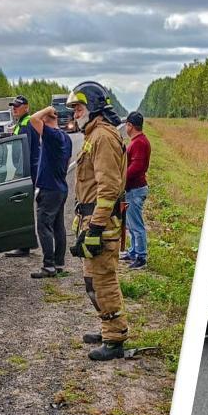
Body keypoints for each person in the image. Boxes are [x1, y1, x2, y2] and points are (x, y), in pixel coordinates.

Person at [67, 81, 128, 362]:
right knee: (92, 280)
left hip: (101, 224)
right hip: (91, 220)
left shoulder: (103, 138)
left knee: (102, 281)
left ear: (92, 107)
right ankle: (107, 328)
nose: (74, 114)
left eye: (78, 108)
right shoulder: (94, 136)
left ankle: (115, 339)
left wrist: (95, 228)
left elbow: (109, 189)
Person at [28, 105, 72, 279]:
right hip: (60, 187)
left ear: (47, 119)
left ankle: (48, 266)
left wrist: (47, 109)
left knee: (44, 226)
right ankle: (59, 263)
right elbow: (68, 161)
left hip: (49, 188)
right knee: (58, 227)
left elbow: (33, 119)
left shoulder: (51, 135)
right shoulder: (66, 138)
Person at [6, 95, 40, 258]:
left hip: (27, 171)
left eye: (18, 106)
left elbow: (25, 150)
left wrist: (19, 175)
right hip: (27, 170)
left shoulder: (26, 123)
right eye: (13, 106)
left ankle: (25, 245)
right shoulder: (21, 123)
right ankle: (25, 244)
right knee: (24, 207)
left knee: (23, 208)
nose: (14, 109)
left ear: (26, 107)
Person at [121, 111, 150, 269]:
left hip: (135, 189)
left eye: (126, 124)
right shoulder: (138, 140)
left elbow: (137, 167)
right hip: (133, 189)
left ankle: (141, 256)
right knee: (131, 224)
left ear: (130, 125)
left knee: (136, 224)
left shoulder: (139, 143)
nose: (126, 126)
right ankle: (133, 251)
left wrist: (121, 178)